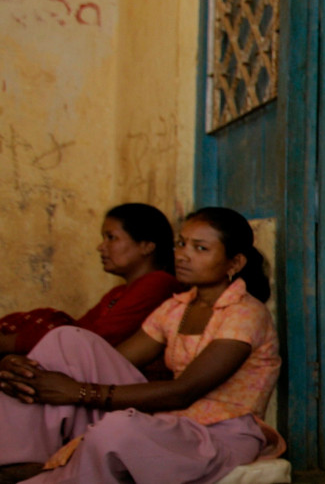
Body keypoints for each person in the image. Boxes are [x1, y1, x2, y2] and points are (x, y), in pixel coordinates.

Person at [0, 207, 282, 484]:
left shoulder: (245, 313)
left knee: (117, 430)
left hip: (218, 433)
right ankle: (17, 462)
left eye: (200, 248)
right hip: (169, 420)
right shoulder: (175, 307)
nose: (182, 254)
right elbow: (105, 361)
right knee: (67, 340)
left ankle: (46, 477)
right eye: (181, 244)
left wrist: (79, 392)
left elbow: (183, 393)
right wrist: (23, 367)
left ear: (234, 264)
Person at [1, 203, 181, 354]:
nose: (101, 247)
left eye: (111, 238)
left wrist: (14, 342)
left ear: (146, 246)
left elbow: (93, 339)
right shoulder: (117, 293)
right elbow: (79, 330)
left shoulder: (158, 283)